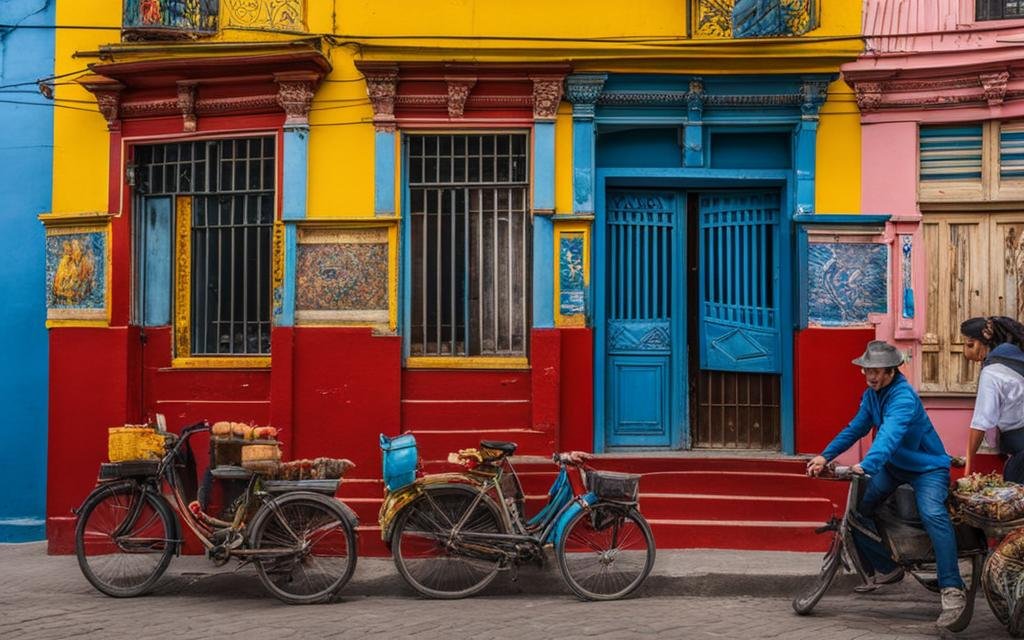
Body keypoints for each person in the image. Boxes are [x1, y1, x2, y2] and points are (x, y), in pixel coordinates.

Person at [806, 340, 966, 630]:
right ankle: (889, 567)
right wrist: (824, 455)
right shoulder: (871, 396)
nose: (871, 377)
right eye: (868, 370)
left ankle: (952, 589)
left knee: (932, 513)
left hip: (927, 469)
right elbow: (856, 427)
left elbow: (889, 436)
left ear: (892, 371)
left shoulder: (903, 398)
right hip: (893, 468)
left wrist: (866, 466)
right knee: (860, 508)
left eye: (878, 371)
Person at [961, 316, 1024, 482]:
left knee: (1014, 502)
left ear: (974, 343)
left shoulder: (992, 372)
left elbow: (980, 423)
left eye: (967, 344)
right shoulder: (1017, 358)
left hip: (1021, 452)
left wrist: (968, 468)